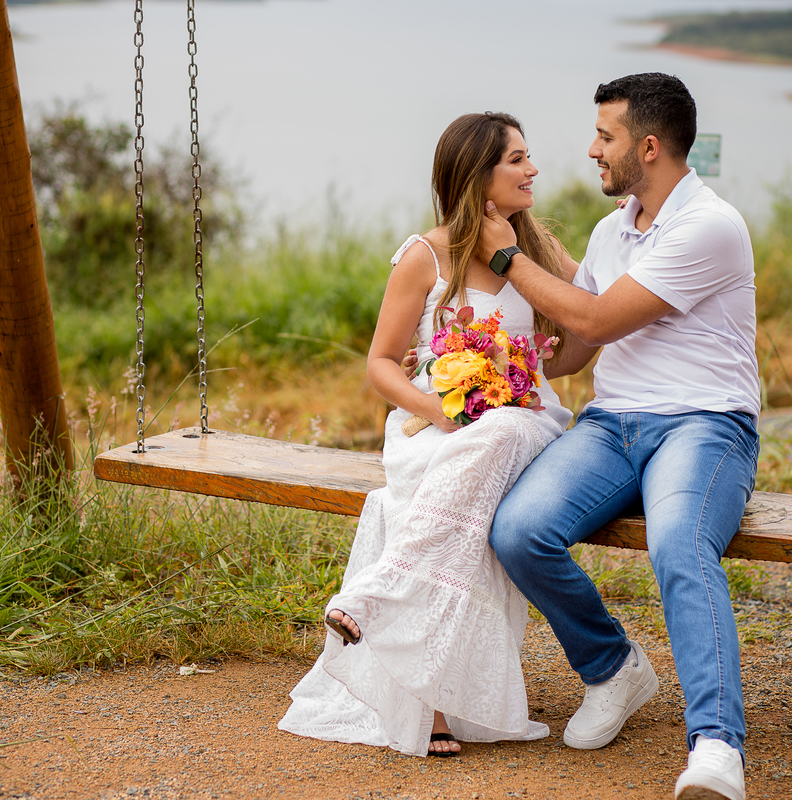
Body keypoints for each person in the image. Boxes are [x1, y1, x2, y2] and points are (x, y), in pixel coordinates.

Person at [480, 73, 759, 800]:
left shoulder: (710, 226)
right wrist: (497, 367)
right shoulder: (612, 231)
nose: (592, 150)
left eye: (605, 137)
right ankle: (613, 668)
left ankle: (716, 748)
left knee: (679, 543)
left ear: (650, 146)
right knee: (517, 531)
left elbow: (598, 319)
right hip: (613, 425)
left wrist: (510, 258)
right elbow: (579, 347)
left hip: (705, 424)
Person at [278, 112, 589, 757]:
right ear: (476, 175)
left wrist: (544, 356)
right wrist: (439, 409)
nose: (533, 170)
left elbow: (581, 338)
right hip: (436, 426)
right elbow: (380, 363)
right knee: (460, 503)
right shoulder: (424, 257)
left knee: (499, 433)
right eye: (517, 159)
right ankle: (432, 702)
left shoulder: (540, 252)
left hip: (525, 421)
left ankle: (379, 594)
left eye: (528, 157)